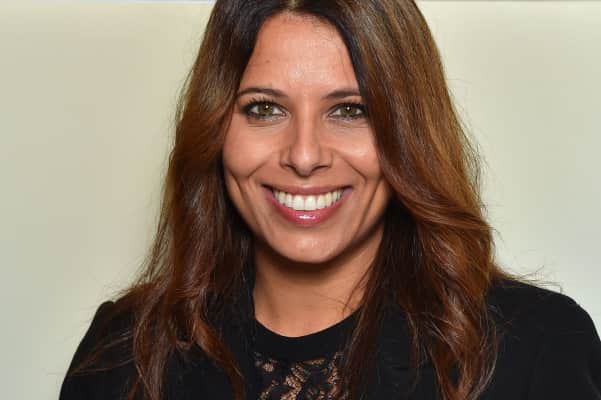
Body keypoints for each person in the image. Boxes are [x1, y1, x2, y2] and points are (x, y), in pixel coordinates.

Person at [59, 1, 601, 399]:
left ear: (407, 135)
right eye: (264, 108)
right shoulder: (123, 352)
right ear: (216, 129)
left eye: (350, 110)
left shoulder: (537, 349)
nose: (304, 155)